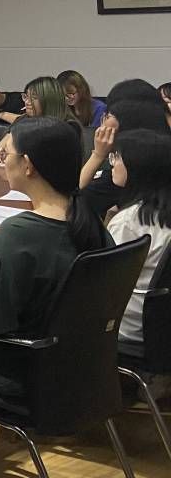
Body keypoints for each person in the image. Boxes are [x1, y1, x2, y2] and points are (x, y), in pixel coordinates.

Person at [0, 117, 112, 398]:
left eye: (6, 154)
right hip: (83, 365)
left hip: (20, 371)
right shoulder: (93, 222)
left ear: (28, 165)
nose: (3, 160)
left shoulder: (17, 234)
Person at [106, 129, 171, 345]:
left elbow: (105, 281)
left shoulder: (129, 222)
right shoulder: (157, 214)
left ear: (139, 167)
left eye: (117, 157)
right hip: (160, 322)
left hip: (130, 324)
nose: (112, 163)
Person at [78, 96, 171, 218]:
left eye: (108, 116)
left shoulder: (122, 174)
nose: (102, 124)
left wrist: (98, 155)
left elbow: (76, 198)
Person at [0, 76, 79, 162]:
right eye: (26, 97)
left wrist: (12, 156)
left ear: (49, 100)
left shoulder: (68, 127)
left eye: (34, 98)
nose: (27, 102)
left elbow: (44, 160)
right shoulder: (23, 120)